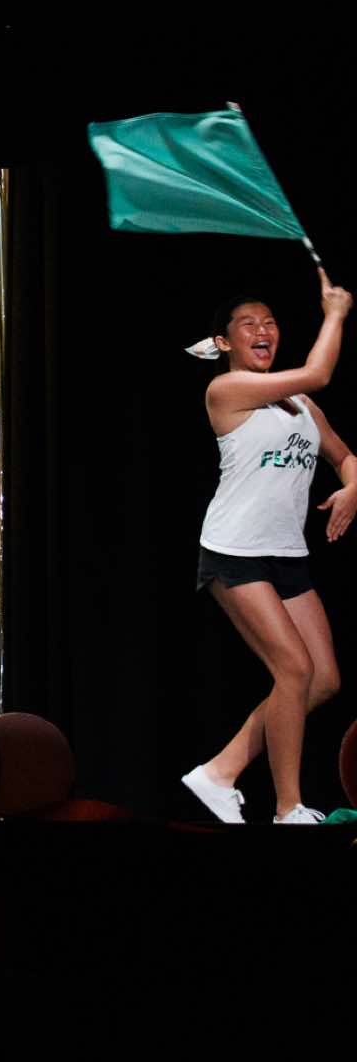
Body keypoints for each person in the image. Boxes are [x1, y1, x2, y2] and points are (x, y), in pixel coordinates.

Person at [180, 273, 351, 825]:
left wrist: (352, 487)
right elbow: (320, 371)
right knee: (294, 671)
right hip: (235, 549)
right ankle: (287, 808)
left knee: (323, 680)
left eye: (270, 322)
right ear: (224, 342)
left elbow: (345, 456)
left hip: (286, 554)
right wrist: (335, 314)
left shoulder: (300, 405)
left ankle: (219, 772)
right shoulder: (226, 391)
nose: (263, 330)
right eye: (248, 324)